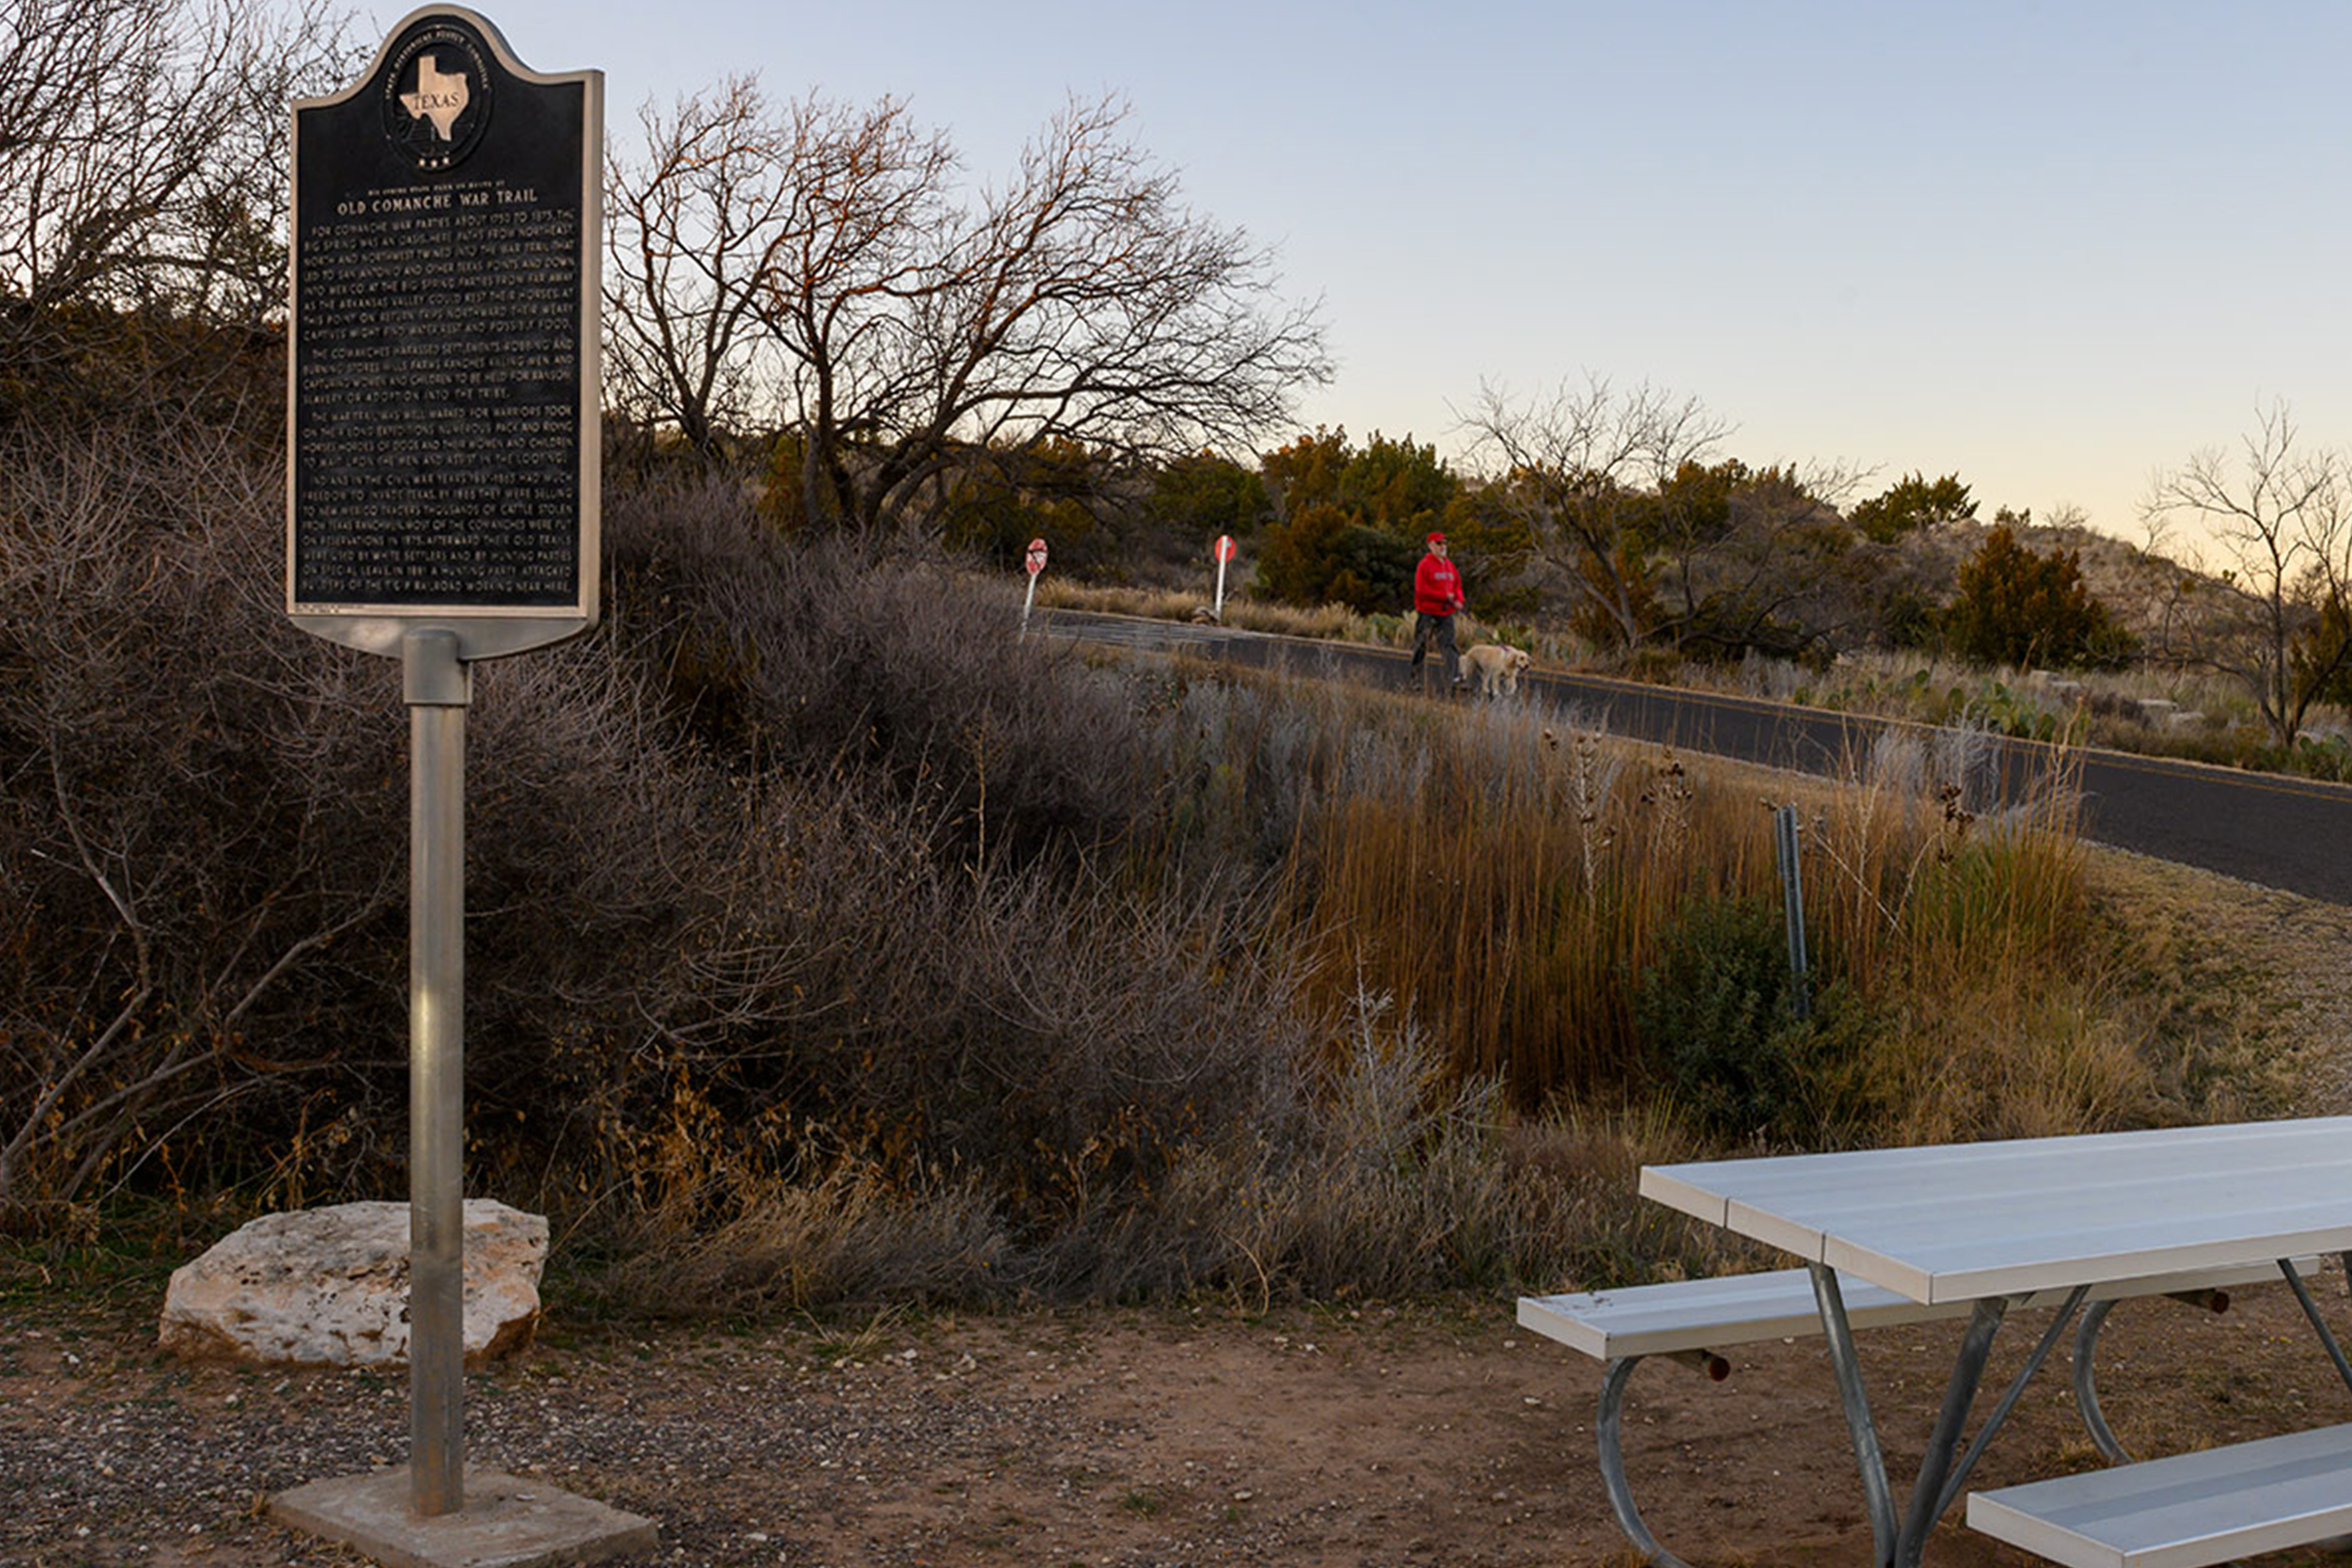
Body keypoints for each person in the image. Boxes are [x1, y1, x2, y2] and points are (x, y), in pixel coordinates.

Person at [1409, 530, 1465, 687]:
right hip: (1427, 611)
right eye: (1439, 543)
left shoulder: (1450, 566)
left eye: (1445, 543)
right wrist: (1444, 596)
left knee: (1449, 645)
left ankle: (1455, 678)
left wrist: (1459, 600)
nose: (1443, 546)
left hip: (1446, 613)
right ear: (1431, 546)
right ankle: (1415, 678)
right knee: (1422, 643)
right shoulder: (1424, 565)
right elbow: (1421, 590)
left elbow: (1457, 586)